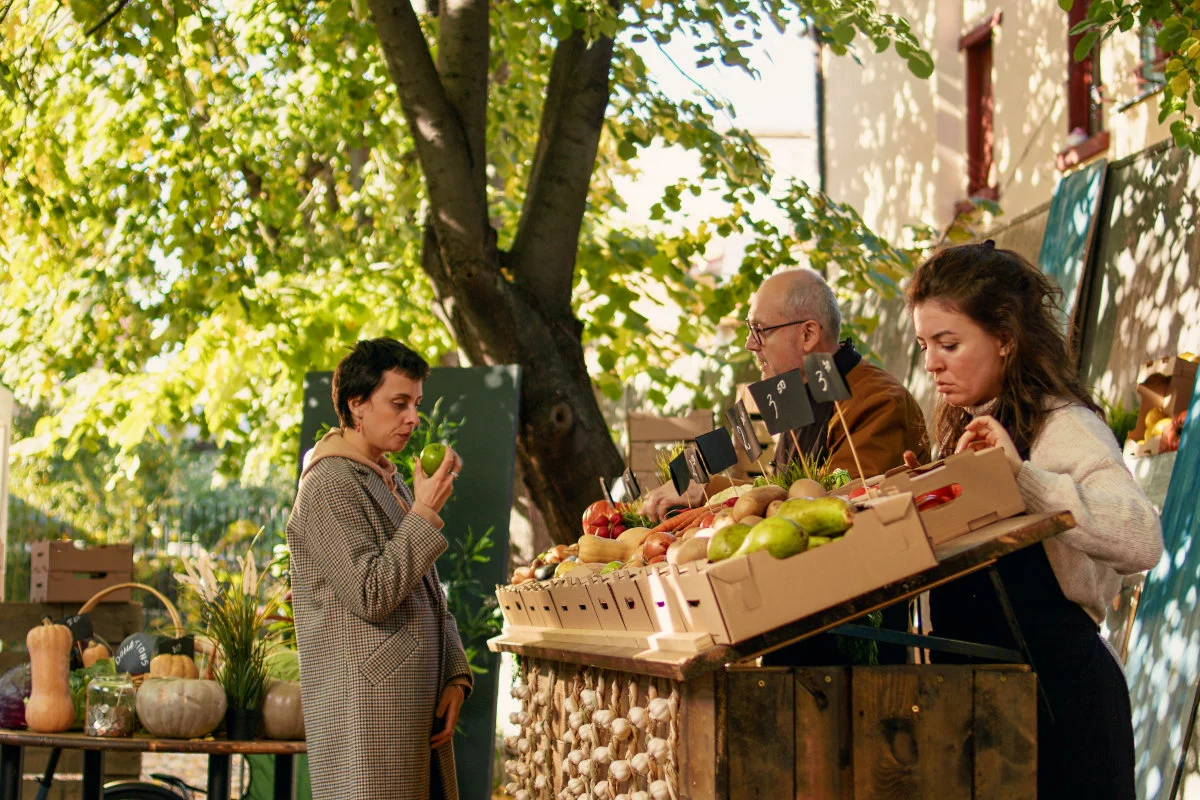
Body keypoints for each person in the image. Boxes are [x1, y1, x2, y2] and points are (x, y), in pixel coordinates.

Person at [907, 241, 1163, 800]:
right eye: (925, 345)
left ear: (1005, 339)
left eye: (949, 344)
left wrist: (1025, 479)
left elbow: (1142, 539)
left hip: (1063, 713)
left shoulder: (1065, 426)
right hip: (994, 711)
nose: (931, 363)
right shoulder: (969, 424)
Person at [287, 338, 472, 800]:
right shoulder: (328, 485)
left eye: (416, 404)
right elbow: (370, 593)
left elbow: (428, 591)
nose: (413, 418)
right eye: (399, 403)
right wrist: (425, 512)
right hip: (367, 719)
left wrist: (454, 674)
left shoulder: (386, 478)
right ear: (357, 405)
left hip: (412, 707)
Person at [640, 267, 930, 521]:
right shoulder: (796, 392)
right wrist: (702, 488)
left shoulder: (877, 401)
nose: (749, 345)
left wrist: (709, 491)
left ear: (808, 335)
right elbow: (780, 487)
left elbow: (836, 505)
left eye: (760, 330)